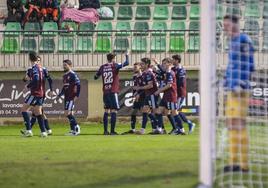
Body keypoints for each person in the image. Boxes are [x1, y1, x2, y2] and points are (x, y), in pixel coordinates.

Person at [223, 15, 255, 173]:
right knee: (230, 124)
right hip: (230, 88)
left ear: (235, 24)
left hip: (240, 89)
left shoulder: (244, 39)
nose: (225, 28)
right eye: (224, 25)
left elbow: (250, 63)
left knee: (238, 124)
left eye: (227, 25)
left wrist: (241, 83)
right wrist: (224, 82)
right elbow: (231, 65)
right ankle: (233, 161)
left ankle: (244, 165)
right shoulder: (232, 42)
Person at [94, 52, 129, 135]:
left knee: (106, 111)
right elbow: (127, 63)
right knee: (114, 111)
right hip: (113, 91)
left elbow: (95, 77)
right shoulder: (115, 65)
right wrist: (127, 55)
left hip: (105, 92)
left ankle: (105, 131)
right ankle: (112, 131)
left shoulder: (103, 67)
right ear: (113, 59)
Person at [21, 52, 53, 137]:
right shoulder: (42, 68)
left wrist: (27, 86)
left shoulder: (33, 68)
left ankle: (28, 130)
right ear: (36, 59)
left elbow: (36, 79)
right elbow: (49, 79)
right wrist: (51, 89)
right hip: (42, 94)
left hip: (35, 93)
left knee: (24, 110)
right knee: (38, 112)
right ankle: (43, 132)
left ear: (30, 59)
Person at [154, 58, 185, 135]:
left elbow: (169, 85)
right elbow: (161, 70)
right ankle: (160, 129)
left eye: (164, 63)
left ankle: (181, 129)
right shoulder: (167, 72)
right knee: (158, 111)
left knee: (174, 113)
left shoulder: (170, 73)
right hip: (166, 96)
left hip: (171, 96)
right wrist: (157, 63)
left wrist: (159, 90)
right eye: (162, 63)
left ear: (169, 64)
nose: (163, 65)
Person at [135, 58, 160, 135]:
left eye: (142, 64)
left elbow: (150, 85)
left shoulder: (149, 73)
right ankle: (143, 130)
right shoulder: (145, 73)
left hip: (152, 94)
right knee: (145, 110)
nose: (141, 65)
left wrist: (139, 88)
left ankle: (158, 128)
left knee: (155, 112)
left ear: (146, 64)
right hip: (148, 94)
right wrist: (139, 93)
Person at [172, 54, 195, 134]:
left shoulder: (181, 70)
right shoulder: (173, 69)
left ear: (177, 60)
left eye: (173, 59)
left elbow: (180, 82)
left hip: (180, 93)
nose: (172, 61)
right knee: (176, 110)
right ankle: (188, 124)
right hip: (175, 93)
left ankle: (182, 127)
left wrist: (172, 84)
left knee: (175, 110)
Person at [122, 62, 147, 135]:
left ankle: (154, 128)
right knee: (133, 113)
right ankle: (133, 129)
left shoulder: (143, 76)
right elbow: (135, 88)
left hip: (143, 96)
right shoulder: (135, 76)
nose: (134, 68)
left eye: (135, 67)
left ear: (140, 67)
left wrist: (139, 94)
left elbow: (144, 88)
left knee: (146, 112)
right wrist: (134, 95)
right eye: (134, 67)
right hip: (137, 96)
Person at [57, 59, 81, 136]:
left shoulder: (73, 74)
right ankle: (72, 130)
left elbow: (78, 85)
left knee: (68, 113)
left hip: (71, 96)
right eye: (63, 65)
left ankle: (77, 127)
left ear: (70, 65)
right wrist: (60, 94)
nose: (64, 66)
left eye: (65, 65)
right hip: (67, 97)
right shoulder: (64, 76)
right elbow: (65, 87)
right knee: (68, 113)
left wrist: (77, 95)